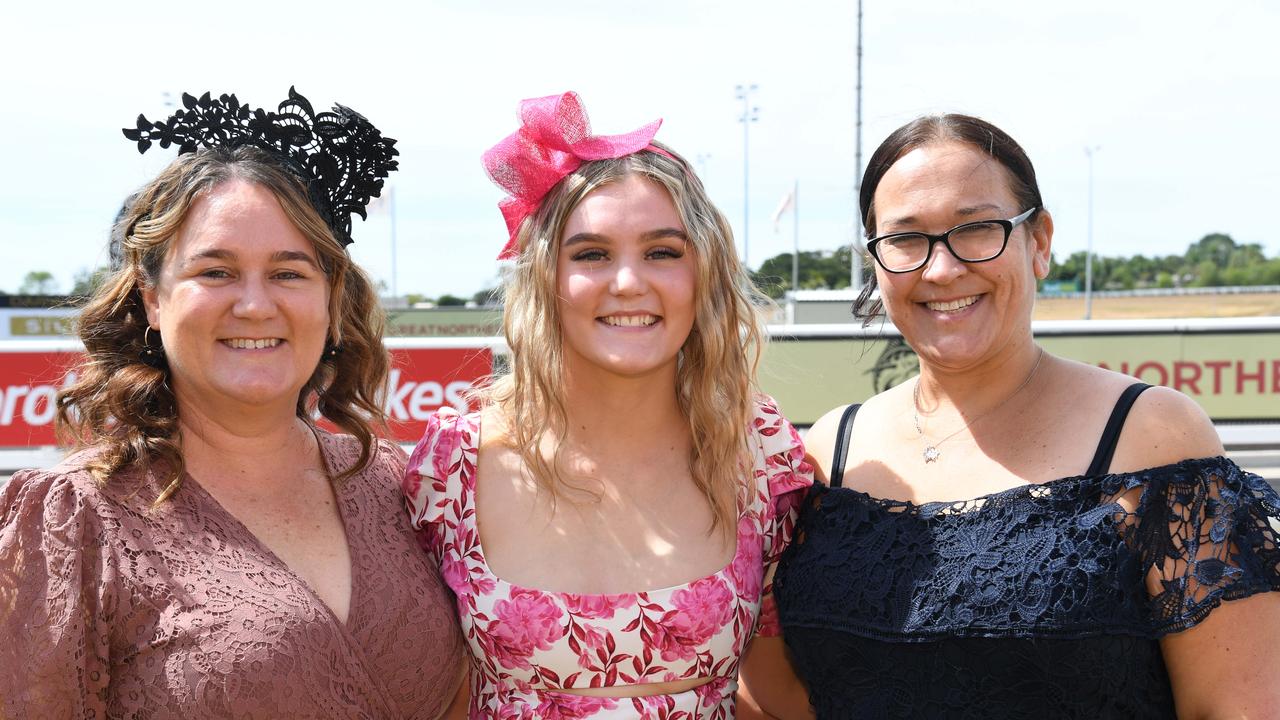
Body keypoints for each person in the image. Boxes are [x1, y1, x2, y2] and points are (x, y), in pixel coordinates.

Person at [760, 114, 1280, 718]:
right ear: (876, 262)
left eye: (977, 228)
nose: (941, 269)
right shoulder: (835, 450)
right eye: (905, 239)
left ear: (1039, 241)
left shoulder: (1150, 436)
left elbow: (1237, 705)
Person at [0, 89, 466, 718]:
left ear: (331, 304)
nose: (254, 304)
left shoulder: (401, 487)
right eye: (215, 272)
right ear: (153, 299)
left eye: (289, 272)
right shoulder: (74, 523)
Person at [402, 91, 813, 719]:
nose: (628, 282)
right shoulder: (455, 462)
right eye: (591, 253)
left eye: (662, 252)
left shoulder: (760, 451)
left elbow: (781, 693)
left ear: (703, 274)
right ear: (544, 275)